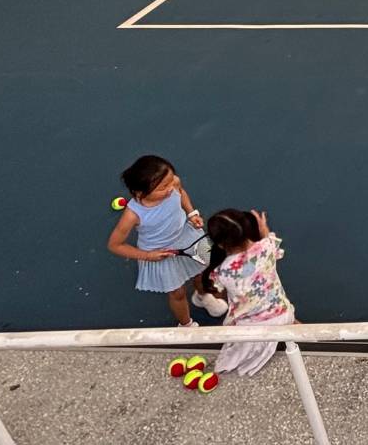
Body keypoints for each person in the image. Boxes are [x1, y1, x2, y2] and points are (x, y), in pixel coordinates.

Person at [107, 155, 227, 327]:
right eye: (163, 187)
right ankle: (186, 325)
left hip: (187, 237)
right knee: (177, 293)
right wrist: (147, 255)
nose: (170, 188)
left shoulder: (172, 183)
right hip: (160, 253)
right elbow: (115, 245)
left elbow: (181, 192)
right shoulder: (132, 215)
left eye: (171, 181)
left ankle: (202, 296)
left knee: (202, 270)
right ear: (140, 192)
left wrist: (191, 213)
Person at [204, 209, 296, 376]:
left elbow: (217, 288)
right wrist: (264, 228)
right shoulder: (266, 247)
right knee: (289, 318)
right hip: (282, 313)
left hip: (253, 325)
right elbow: (271, 242)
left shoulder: (222, 272)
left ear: (220, 244)